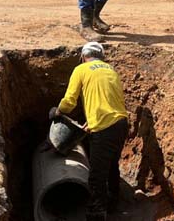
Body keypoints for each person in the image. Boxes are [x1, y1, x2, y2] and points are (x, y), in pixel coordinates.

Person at [51, 42, 128, 220]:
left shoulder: (82, 69)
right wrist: (91, 122)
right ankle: (114, 202)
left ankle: (97, 213)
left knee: (96, 175)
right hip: (121, 124)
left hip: (105, 129)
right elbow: (108, 100)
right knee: (111, 166)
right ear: (101, 56)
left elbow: (70, 101)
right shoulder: (111, 70)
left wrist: (58, 112)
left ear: (83, 57)